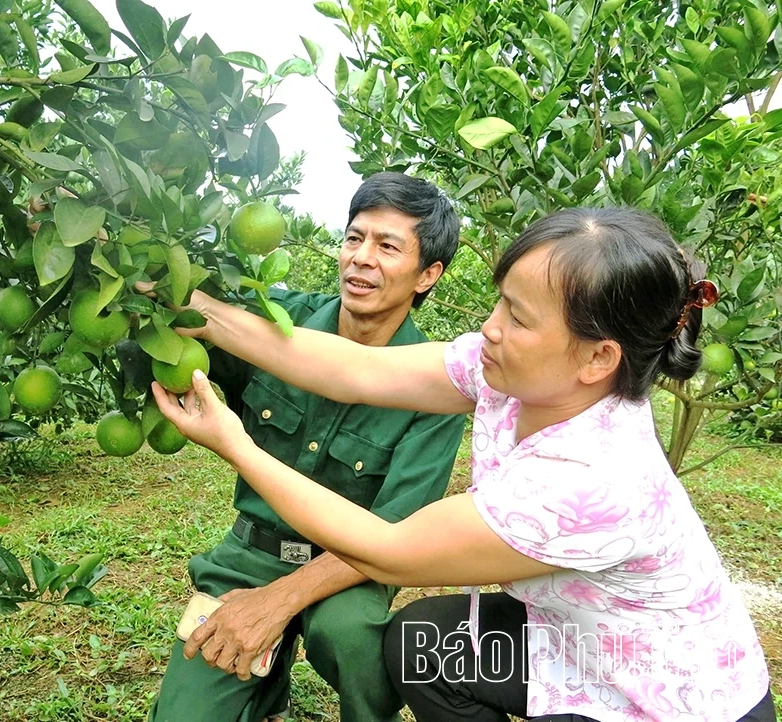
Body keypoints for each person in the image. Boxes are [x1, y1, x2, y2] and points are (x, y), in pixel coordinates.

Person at [152, 207, 776, 722]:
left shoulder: (591, 480)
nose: (490, 328)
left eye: (519, 318)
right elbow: (354, 368)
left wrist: (236, 445)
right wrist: (201, 313)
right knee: (426, 644)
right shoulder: (512, 371)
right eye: (501, 303)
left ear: (597, 358)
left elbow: (387, 549)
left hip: (671, 699)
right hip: (574, 639)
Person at [149, 172, 468, 722]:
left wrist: (278, 602)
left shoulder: (436, 386)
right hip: (251, 554)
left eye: (387, 246)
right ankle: (262, 689)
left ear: (428, 274)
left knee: (349, 635)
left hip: (346, 569)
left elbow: (396, 533)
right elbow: (182, 310)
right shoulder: (276, 320)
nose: (360, 258)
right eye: (354, 238)